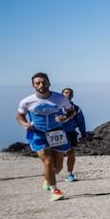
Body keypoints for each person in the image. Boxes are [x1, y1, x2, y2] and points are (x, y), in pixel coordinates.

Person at [15, 72, 77, 201]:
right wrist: (25, 124)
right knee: (48, 161)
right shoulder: (27, 101)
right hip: (38, 133)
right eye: (37, 83)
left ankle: (48, 179)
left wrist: (65, 117)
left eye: (44, 82)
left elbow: (72, 111)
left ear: (49, 83)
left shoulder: (60, 98)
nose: (41, 85)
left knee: (58, 166)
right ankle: (55, 191)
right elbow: (19, 115)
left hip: (57, 132)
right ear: (33, 85)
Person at [59, 87, 88, 181]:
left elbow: (81, 122)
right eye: (66, 92)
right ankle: (50, 175)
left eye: (70, 93)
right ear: (62, 95)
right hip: (58, 133)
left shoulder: (76, 108)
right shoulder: (56, 107)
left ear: (72, 95)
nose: (68, 94)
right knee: (57, 155)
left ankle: (70, 174)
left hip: (71, 133)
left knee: (71, 153)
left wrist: (83, 134)